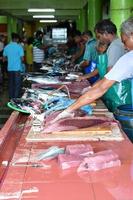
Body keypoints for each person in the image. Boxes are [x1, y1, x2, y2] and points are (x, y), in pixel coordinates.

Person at [53, 17, 133, 121]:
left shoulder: (125, 54)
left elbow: (104, 83)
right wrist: (92, 88)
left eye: (125, 41)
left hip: (120, 94)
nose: (125, 47)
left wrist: (68, 110)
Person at [3, 32, 24, 99]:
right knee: (17, 84)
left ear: (12, 39)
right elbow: (22, 59)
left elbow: (4, 59)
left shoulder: (6, 47)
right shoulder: (19, 47)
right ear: (17, 39)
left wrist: (10, 59)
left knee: (11, 83)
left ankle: (11, 97)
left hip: (9, 68)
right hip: (17, 68)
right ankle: (16, 98)